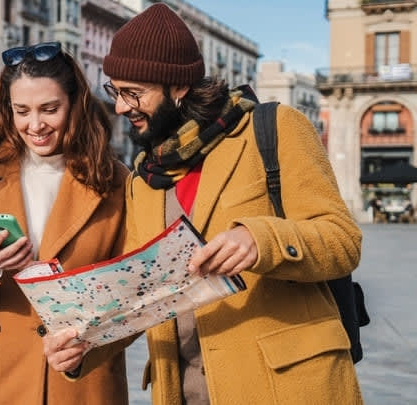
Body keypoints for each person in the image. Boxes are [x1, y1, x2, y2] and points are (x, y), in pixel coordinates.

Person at [43, 3, 364, 404]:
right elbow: (144, 295)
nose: (122, 106)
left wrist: (260, 239)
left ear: (178, 88)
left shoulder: (274, 128)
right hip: (186, 392)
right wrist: (84, 346)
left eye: (134, 93)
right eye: (115, 91)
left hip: (286, 387)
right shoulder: (145, 179)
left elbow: (343, 239)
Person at [0, 42, 130, 405]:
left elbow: (135, 296)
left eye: (49, 109)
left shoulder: (116, 182)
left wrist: (86, 347)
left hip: (85, 386)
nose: (35, 125)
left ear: (75, 104)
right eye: (21, 111)